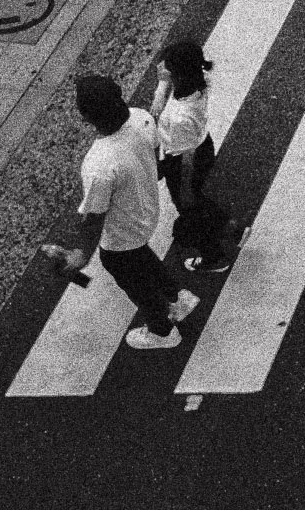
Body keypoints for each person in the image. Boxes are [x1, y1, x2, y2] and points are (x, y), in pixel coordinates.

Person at [44, 75, 198, 350]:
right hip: (146, 210)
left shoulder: (99, 164)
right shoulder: (141, 119)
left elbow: (94, 216)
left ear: (86, 117)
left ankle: (162, 331)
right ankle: (178, 298)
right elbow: (155, 155)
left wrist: (81, 255)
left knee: (136, 284)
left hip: (121, 233)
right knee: (142, 259)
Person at [150, 41, 237, 273]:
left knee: (190, 209)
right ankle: (230, 228)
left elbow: (186, 160)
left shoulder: (180, 117)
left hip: (184, 161)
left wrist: (184, 188)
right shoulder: (196, 84)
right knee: (197, 199)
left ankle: (213, 257)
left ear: (178, 72)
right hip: (201, 145)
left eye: (166, 65)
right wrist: (163, 81)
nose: (160, 67)